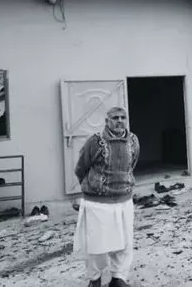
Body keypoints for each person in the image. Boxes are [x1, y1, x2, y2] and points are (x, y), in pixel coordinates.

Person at [73, 107, 140, 287]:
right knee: (97, 244)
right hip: (98, 202)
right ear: (107, 121)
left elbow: (131, 165)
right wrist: (94, 186)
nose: (119, 121)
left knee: (124, 242)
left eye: (123, 117)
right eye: (115, 118)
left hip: (124, 200)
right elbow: (81, 168)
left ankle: (118, 278)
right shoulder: (95, 141)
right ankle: (94, 279)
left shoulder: (133, 140)